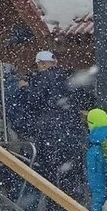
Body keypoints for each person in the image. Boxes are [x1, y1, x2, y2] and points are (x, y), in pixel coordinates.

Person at [20, 50, 81, 193]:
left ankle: (52, 205)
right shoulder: (69, 78)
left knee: (49, 172)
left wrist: (24, 88)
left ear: (42, 64)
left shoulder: (43, 78)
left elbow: (34, 100)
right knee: (69, 172)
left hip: (50, 132)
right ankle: (72, 204)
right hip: (71, 130)